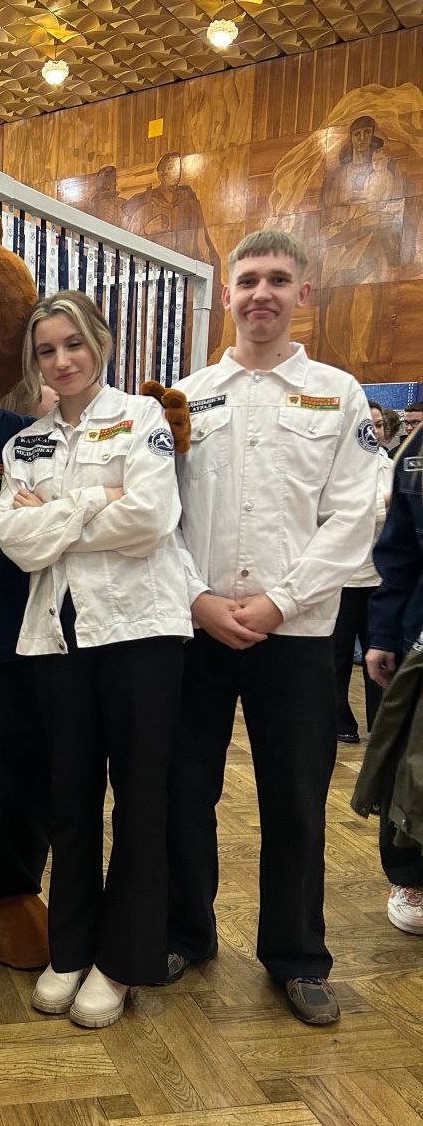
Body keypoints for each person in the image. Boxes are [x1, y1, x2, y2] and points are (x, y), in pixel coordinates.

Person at [166, 229, 378, 1026]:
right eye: (248, 279)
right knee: (185, 790)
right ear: (226, 295)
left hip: (298, 633)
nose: (262, 293)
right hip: (198, 629)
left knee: (294, 799)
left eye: (278, 280)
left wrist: (282, 600)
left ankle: (297, 957)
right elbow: (159, 514)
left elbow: (355, 515)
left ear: (303, 295)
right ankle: (186, 932)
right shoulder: (185, 397)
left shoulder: (338, 393)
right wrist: (196, 598)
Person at [0, 290, 191, 1028]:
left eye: (73, 344)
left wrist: (54, 515)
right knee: (68, 799)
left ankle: (122, 960)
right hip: (58, 638)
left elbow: (152, 518)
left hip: (141, 634)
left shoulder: (142, 418)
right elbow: (13, 539)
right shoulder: (24, 446)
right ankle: (70, 948)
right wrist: (95, 500)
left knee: (139, 801)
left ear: (100, 344)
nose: (62, 360)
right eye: (46, 350)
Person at [365, 421, 423, 934]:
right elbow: (399, 552)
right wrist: (382, 634)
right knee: (410, 762)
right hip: (417, 637)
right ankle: (410, 876)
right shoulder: (416, 452)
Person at [332, 400, 393, 743]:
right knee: (337, 658)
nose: (374, 431)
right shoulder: (338, 468)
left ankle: (381, 728)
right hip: (342, 580)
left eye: (379, 425)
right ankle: (340, 722)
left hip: (381, 580)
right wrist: (385, 503)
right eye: (368, 425)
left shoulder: (391, 466)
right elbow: (342, 517)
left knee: (382, 656)